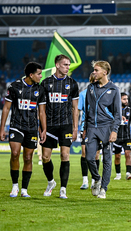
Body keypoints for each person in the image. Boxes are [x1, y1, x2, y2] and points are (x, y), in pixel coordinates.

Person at [0, 62, 46, 197]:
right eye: (39, 74)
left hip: (32, 128)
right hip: (16, 126)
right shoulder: (14, 86)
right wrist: (2, 128)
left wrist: (43, 129)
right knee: (15, 153)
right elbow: (6, 108)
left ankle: (24, 189)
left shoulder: (40, 90)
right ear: (31, 75)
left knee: (28, 157)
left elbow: (42, 112)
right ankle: (15, 186)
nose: (41, 76)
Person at [40, 54, 79, 199]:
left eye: (68, 65)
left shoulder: (73, 84)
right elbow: (42, 108)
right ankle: (51, 182)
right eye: (65, 64)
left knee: (65, 155)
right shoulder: (45, 83)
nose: (68, 67)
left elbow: (75, 109)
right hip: (49, 125)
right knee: (45, 157)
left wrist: (75, 128)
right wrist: (42, 127)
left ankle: (63, 189)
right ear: (57, 65)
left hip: (66, 124)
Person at [83, 61, 121, 199]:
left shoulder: (114, 89)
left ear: (105, 72)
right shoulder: (90, 88)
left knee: (107, 160)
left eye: (96, 70)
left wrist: (114, 130)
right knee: (89, 157)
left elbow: (118, 114)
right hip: (92, 127)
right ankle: (97, 178)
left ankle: (104, 188)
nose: (94, 72)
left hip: (107, 127)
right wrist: (85, 128)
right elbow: (87, 110)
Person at [79, 73, 101, 190]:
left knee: (96, 155)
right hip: (86, 127)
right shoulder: (83, 94)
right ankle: (84, 181)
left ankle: (94, 180)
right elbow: (78, 110)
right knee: (84, 153)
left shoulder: (103, 93)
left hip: (99, 127)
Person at [113, 92, 131, 180]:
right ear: (119, 100)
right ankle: (118, 174)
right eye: (124, 99)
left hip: (127, 137)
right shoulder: (114, 110)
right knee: (117, 156)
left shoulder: (130, 110)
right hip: (116, 137)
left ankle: (128, 173)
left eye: (127, 99)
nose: (126, 101)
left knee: (128, 154)